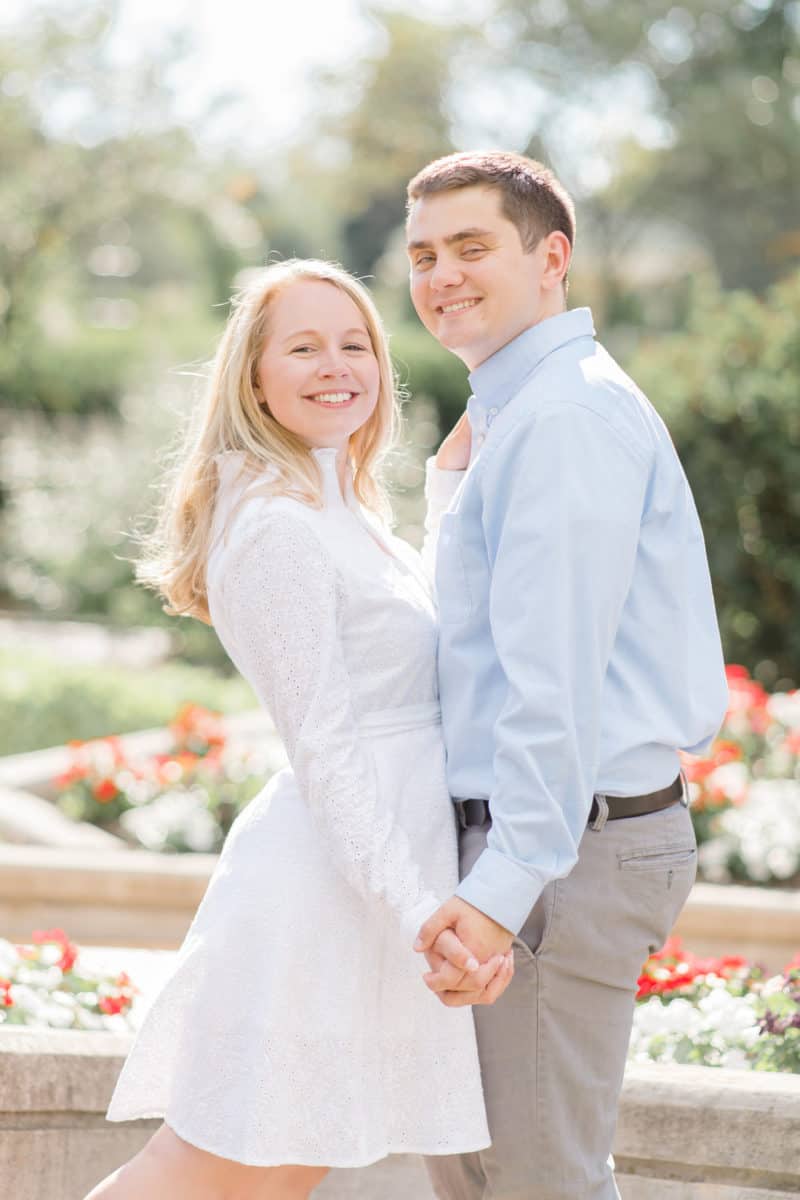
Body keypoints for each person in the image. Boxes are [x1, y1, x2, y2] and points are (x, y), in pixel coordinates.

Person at [85, 259, 512, 1200]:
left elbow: (411, 644)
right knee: (203, 1176)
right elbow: (327, 746)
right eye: (305, 346)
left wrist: (444, 490)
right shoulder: (277, 527)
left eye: (355, 343)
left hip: (371, 888)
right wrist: (416, 912)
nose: (337, 365)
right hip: (326, 892)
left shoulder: (338, 504)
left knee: (276, 1181)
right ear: (253, 378)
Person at [404, 151, 729, 1200]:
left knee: (538, 1185)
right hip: (539, 844)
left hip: (557, 853)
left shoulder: (561, 418)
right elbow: (476, 650)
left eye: (469, 247)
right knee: (488, 1181)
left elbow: (551, 686)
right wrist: (446, 482)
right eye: (421, 255)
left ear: (551, 256)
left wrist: (499, 893)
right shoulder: (513, 411)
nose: (440, 274)